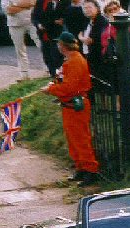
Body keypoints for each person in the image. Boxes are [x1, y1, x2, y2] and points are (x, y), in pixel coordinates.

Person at [41, 32, 100, 186]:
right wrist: (54, 85)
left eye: (59, 44)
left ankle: (91, 170)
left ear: (63, 46)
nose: (58, 46)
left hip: (76, 105)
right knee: (73, 139)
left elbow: (70, 87)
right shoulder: (70, 59)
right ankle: (80, 168)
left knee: (81, 138)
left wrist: (52, 90)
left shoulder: (74, 61)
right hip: (69, 106)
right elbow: (64, 81)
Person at [1, 0, 41, 82]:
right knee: (19, 50)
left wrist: (16, 5)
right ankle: (24, 75)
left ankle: (49, 69)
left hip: (32, 21)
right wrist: (26, 6)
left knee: (41, 44)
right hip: (14, 24)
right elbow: (9, 10)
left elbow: (34, 3)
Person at [32, 0, 65, 77]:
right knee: (47, 55)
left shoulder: (61, 2)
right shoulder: (40, 2)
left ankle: (58, 75)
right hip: (44, 34)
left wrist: (56, 22)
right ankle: (53, 74)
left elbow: (62, 17)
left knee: (56, 55)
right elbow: (34, 17)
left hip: (57, 33)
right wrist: (38, 24)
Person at [78, 0, 109, 80]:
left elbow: (91, 40)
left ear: (97, 8)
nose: (87, 10)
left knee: (98, 78)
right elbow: (80, 33)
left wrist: (82, 38)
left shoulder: (101, 21)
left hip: (98, 56)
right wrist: (82, 38)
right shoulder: (87, 20)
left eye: (89, 7)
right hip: (88, 54)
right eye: (85, 8)